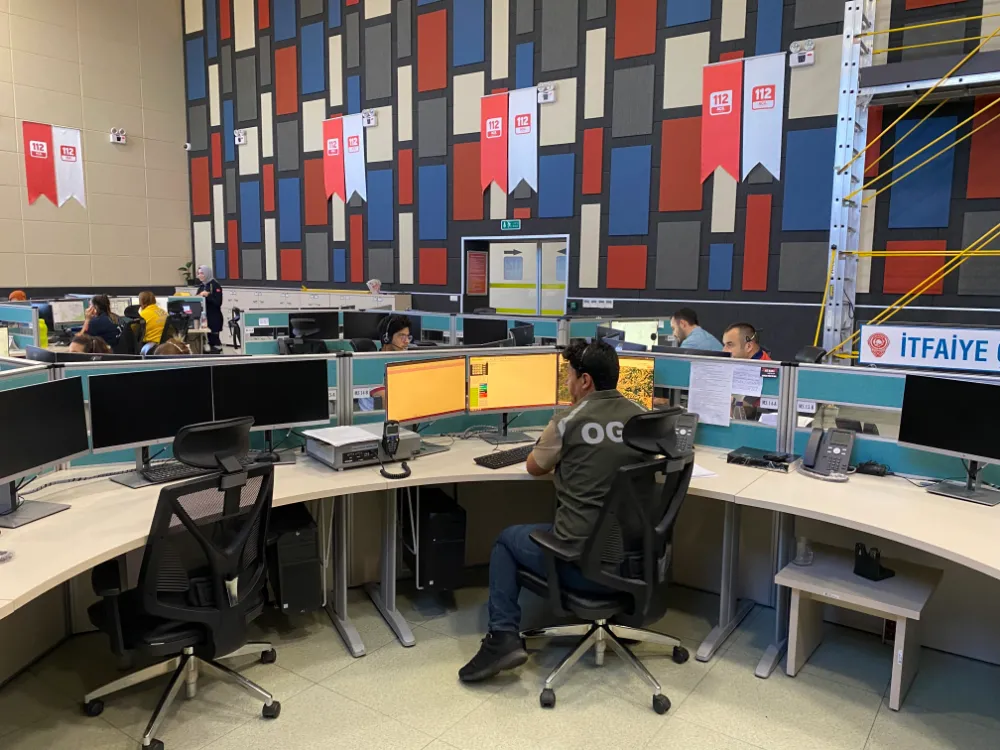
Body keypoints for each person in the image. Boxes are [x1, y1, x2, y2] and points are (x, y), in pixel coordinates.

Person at [458, 340, 651, 683]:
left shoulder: (567, 422)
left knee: (505, 541)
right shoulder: (644, 418)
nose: (567, 383)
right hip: (635, 564)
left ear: (586, 381)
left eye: (570, 376)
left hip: (581, 564)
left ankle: (502, 638)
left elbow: (534, 466)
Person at [196, 265, 224, 353]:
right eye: (199, 273)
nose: (200, 275)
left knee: (214, 340)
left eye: (202, 273)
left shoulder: (215, 285)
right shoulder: (201, 286)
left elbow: (218, 302)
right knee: (204, 340)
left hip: (214, 317)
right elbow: (197, 299)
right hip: (204, 317)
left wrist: (208, 295)